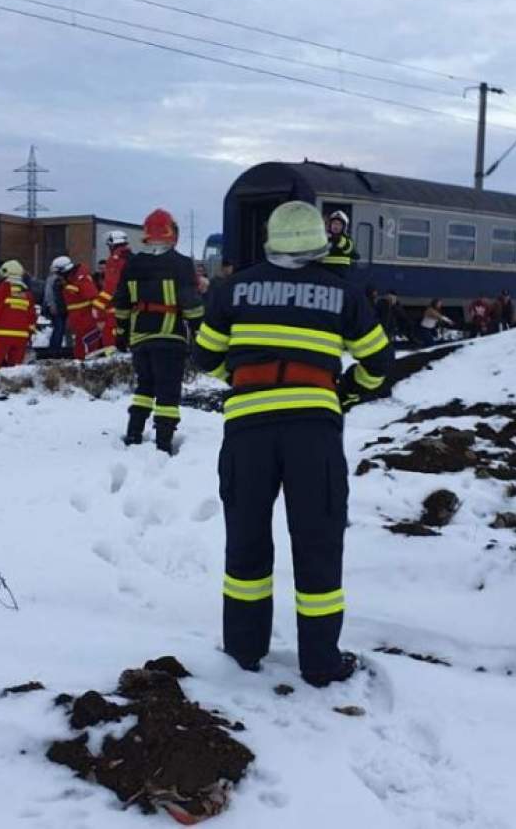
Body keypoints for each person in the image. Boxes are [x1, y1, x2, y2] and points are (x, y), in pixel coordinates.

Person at [192, 200, 391, 688]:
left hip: (248, 430)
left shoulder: (231, 290)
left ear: (270, 241)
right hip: (313, 433)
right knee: (318, 543)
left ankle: (242, 651)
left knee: (247, 545)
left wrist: (244, 381)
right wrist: (343, 393)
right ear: (321, 243)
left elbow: (206, 357)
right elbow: (380, 362)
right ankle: (321, 661)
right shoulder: (343, 294)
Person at [113, 209, 204, 454]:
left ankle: (134, 432)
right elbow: (191, 304)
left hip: (140, 336)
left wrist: (121, 333)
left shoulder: (133, 264)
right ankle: (163, 442)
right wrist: (199, 333)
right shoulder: (181, 264)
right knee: (168, 390)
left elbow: (121, 303)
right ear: (171, 234)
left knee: (145, 386)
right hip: (169, 336)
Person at [51, 255, 106, 359]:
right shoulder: (71, 280)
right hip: (79, 322)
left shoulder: (81, 279)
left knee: (90, 347)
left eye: (58, 273)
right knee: (80, 347)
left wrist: (101, 318)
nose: (58, 276)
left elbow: (95, 299)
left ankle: (89, 368)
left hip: (87, 320)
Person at [0, 260, 36, 368]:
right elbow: (32, 315)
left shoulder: (2, 288)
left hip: (2, 333)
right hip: (21, 336)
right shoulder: (27, 293)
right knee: (15, 367)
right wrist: (30, 330)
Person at [94, 231, 131, 349]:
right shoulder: (133, 258)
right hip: (134, 308)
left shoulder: (114, 261)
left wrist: (97, 307)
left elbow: (110, 288)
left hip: (116, 308)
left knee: (110, 341)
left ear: (112, 245)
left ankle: (111, 362)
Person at [319, 210, 358, 275]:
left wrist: (335, 238)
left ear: (344, 227)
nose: (336, 226)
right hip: (324, 271)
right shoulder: (324, 238)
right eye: (334, 223)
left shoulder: (347, 239)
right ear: (330, 225)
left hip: (340, 273)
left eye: (339, 224)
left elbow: (348, 248)